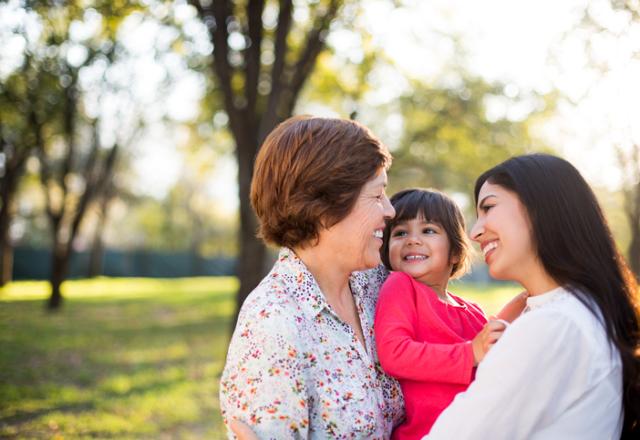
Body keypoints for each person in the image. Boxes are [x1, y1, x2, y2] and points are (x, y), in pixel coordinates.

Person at [424, 153, 640, 439]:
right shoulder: (580, 311)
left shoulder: (554, 324)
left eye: (488, 207)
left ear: (541, 207)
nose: (475, 232)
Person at [219, 115, 404, 439]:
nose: (390, 211)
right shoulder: (273, 321)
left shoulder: (378, 285)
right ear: (324, 206)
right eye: (376, 196)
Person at [374, 188, 527, 439]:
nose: (412, 240)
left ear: (455, 252)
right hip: (426, 433)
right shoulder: (401, 286)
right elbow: (394, 353)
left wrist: (527, 296)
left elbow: (492, 334)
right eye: (400, 233)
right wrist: (470, 353)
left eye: (428, 230)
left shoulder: (471, 310)